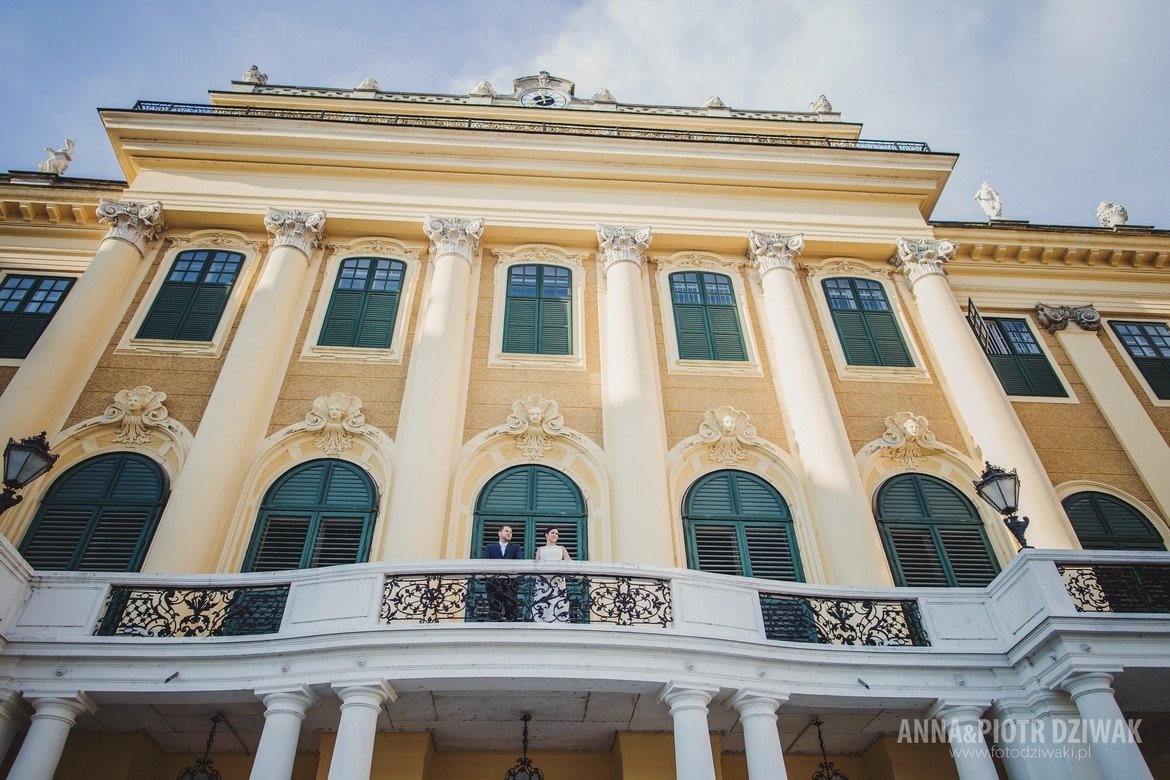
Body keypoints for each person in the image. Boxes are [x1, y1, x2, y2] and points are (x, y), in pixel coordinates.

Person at [481, 525, 523, 621]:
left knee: (511, 611)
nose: (509, 533)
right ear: (499, 533)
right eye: (507, 531)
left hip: (510, 584)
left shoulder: (515, 547)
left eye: (511, 532)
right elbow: (484, 562)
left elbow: (520, 561)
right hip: (494, 584)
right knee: (494, 611)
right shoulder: (490, 547)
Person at [532, 528, 572, 623]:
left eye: (557, 534)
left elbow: (569, 562)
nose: (555, 535)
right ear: (546, 535)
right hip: (543, 582)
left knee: (557, 602)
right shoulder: (540, 549)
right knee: (543, 601)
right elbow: (536, 564)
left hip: (558, 581)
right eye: (552, 533)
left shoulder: (561, 548)